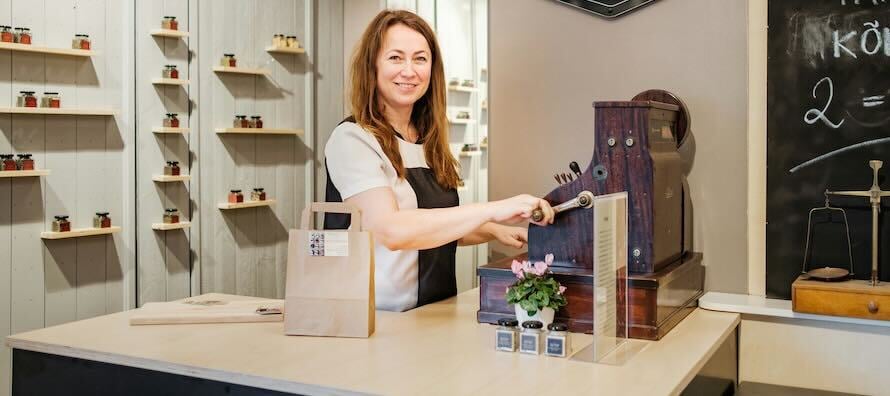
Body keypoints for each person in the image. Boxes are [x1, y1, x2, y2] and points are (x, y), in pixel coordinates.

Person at [324, 9, 555, 312]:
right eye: (395, 57)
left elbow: (434, 224)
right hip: (378, 320)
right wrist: (496, 208)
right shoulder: (353, 139)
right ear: (372, 66)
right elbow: (392, 230)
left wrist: (493, 230)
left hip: (434, 311)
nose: (409, 70)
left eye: (420, 59)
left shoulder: (427, 140)